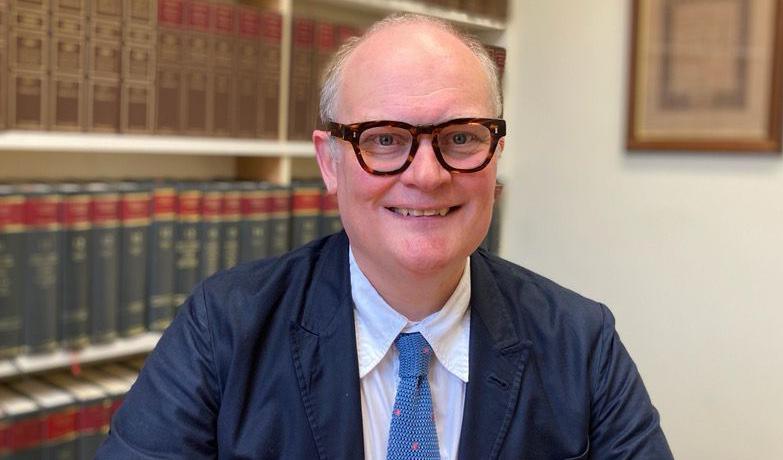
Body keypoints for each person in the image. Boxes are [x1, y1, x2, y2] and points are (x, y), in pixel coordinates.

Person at [97, 13, 673, 460]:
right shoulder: (224, 327)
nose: (427, 174)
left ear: (496, 155)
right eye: (385, 139)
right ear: (329, 162)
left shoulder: (582, 340)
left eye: (463, 138)